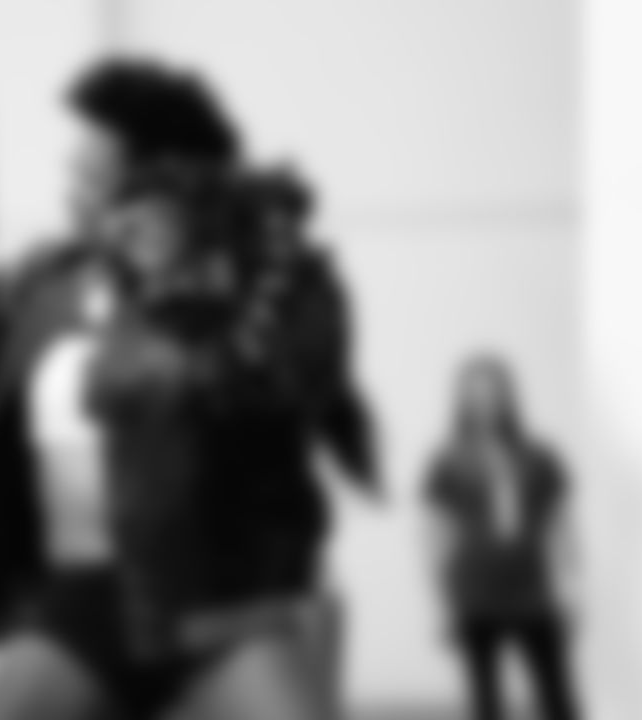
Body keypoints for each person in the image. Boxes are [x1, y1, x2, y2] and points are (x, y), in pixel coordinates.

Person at [0, 57, 369, 720]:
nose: (71, 187)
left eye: (92, 174)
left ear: (162, 185)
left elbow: (297, 374)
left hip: (225, 611)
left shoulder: (250, 286)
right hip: (80, 610)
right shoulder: (36, 286)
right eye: (72, 170)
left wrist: (249, 271)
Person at [251, 163, 382, 719]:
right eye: (263, 225)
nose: (276, 237)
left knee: (307, 600)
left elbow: (323, 373)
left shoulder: (314, 288)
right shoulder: (218, 279)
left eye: (287, 226)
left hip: (279, 479)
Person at [423, 355, 582, 720]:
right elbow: (434, 536)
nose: (486, 402)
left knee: (558, 698)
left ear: (509, 397)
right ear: (463, 401)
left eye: (494, 393)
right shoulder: (447, 461)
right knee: (486, 702)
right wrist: (440, 604)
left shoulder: (539, 457)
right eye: (476, 395)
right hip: (474, 591)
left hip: (533, 589)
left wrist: (571, 587)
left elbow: (562, 527)